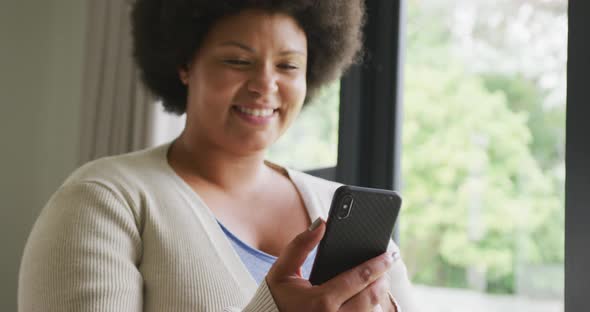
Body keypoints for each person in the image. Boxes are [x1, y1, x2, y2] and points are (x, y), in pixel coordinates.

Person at [18, 0, 418, 311]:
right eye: (238, 61)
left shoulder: (345, 211)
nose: (265, 85)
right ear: (185, 64)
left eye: (288, 65)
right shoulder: (104, 200)